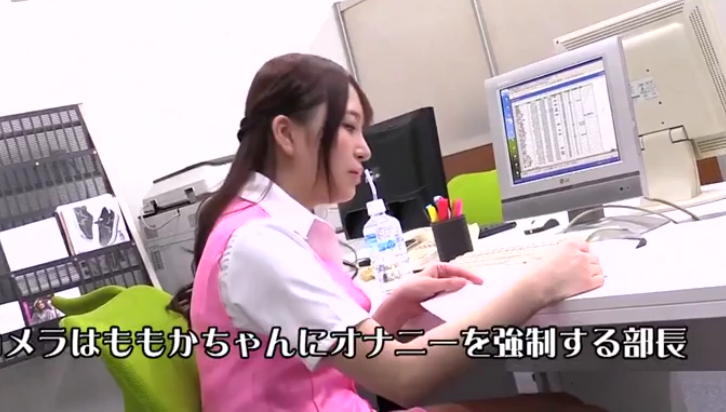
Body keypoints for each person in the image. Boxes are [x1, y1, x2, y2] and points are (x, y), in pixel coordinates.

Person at [168, 53, 606, 412]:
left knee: (562, 405)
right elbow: (403, 377)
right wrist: (541, 285)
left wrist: (391, 311)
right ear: (286, 133)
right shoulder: (258, 243)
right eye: (348, 127)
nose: (364, 148)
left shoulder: (254, 226)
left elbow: (315, 353)